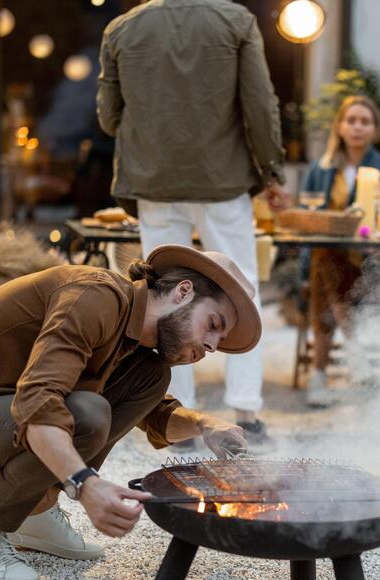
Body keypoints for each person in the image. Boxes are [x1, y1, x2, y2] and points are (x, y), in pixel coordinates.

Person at [0, 246, 260, 580]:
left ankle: (36, 510)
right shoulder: (95, 296)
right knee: (87, 414)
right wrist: (85, 485)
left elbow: (155, 414)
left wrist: (202, 425)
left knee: (151, 378)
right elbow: (39, 403)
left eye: (220, 339)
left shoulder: (134, 341)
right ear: (183, 292)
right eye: (213, 324)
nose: (212, 347)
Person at [97, 0, 290, 442]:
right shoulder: (236, 21)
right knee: (241, 286)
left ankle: (174, 417)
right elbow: (260, 105)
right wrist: (272, 171)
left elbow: (108, 118)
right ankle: (246, 412)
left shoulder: (122, 29)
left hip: (154, 179)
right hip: (222, 178)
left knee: (163, 297)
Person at [300, 95, 380, 407]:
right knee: (325, 256)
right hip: (331, 266)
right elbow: (308, 223)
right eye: (351, 120)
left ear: (375, 130)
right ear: (339, 126)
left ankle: (319, 375)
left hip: (372, 269)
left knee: (324, 270)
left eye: (365, 121)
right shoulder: (321, 170)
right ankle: (353, 350)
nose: (357, 127)